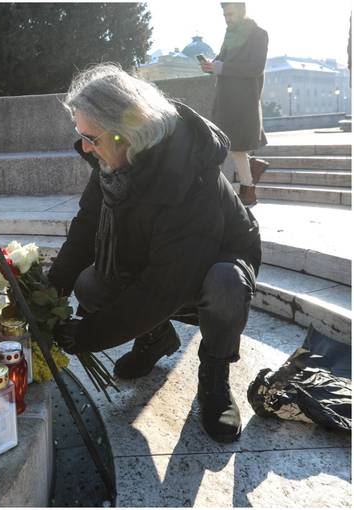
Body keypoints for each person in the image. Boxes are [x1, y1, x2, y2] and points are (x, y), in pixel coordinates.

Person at [47, 64, 261, 443]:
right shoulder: (114, 161)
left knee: (225, 284)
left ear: (125, 133)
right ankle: (156, 338)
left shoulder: (189, 176)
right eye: (79, 135)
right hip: (161, 260)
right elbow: (85, 227)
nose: (83, 146)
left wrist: (88, 335)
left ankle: (214, 376)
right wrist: (51, 291)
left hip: (214, 266)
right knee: (89, 284)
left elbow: (166, 286)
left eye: (89, 137)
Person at [201, 2, 269, 206]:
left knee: (235, 146)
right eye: (224, 15)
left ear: (242, 11)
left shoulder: (259, 34)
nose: (227, 18)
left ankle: (246, 191)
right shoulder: (229, 35)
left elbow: (256, 67)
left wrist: (222, 67)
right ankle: (250, 177)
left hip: (244, 100)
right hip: (225, 99)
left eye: (230, 14)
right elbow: (221, 61)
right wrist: (211, 66)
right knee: (226, 143)